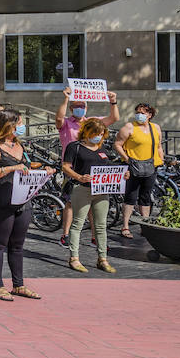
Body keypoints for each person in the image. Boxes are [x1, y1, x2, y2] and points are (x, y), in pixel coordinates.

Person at [0, 110, 40, 301]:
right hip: (2, 201)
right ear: (8, 126)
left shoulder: (19, 145)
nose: (21, 127)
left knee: (17, 245)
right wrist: (11, 168)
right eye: (18, 124)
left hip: (22, 200)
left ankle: (18, 285)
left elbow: (26, 167)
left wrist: (42, 169)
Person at [55, 87, 120, 243]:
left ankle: (94, 237)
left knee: (94, 201)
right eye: (77, 106)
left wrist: (113, 102)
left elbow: (114, 118)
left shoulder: (91, 122)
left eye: (82, 106)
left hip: (92, 166)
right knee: (70, 202)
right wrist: (65, 98)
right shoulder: (67, 124)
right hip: (73, 166)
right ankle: (65, 234)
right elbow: (58, 119)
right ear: (71, 108)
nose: (80, 109)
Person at [61, 118, 115, 274]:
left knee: (100, 226)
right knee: (77, 223)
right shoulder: (75, 147)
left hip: (101, 191)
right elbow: (65, 167)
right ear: (87, 131)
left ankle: (102, 259)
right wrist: (79, 177)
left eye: (101, 133)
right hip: (82, 189)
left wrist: (121, 173)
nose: (98, 136)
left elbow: (108, 166)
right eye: (96, 133)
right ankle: (74, 258)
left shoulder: (101, 148)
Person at [115, 103, 163, 241]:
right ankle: (125, 226)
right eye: (137, 112)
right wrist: (126, 158)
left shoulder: (156, 128)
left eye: (142, 112)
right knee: (130, 196)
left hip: (150, 166)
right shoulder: (129, 127)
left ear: (150, 115)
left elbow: (158, 146)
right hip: (133, 166)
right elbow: (117, 144)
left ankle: (145, 225)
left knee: (145, 197)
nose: (139, 114)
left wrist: (161, 159)